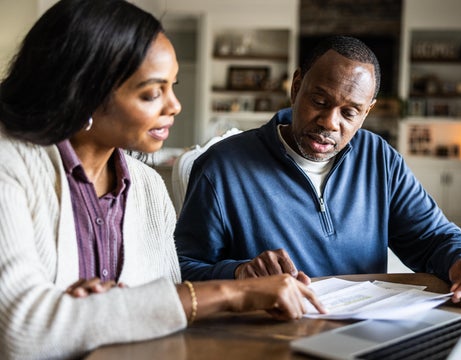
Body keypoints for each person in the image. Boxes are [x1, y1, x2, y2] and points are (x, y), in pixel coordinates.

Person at [0, 1, 323, 358]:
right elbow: (21, 330)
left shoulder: (148, 189)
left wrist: (99, 309)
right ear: (82, 92)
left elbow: (167, 312)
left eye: (173, 86)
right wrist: (236, 294)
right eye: (152, 92)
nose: (174, 105)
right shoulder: (9, 163)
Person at [175, 35, 461, 309]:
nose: (330, 122)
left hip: (364, 329)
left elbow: (430, 237)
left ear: (367, 111)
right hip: (272, 333)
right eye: (319, 100)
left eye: (350, 112)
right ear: (297, 86)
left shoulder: (379, 158)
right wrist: (239, 274)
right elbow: (183, 269)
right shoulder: (222, 166)